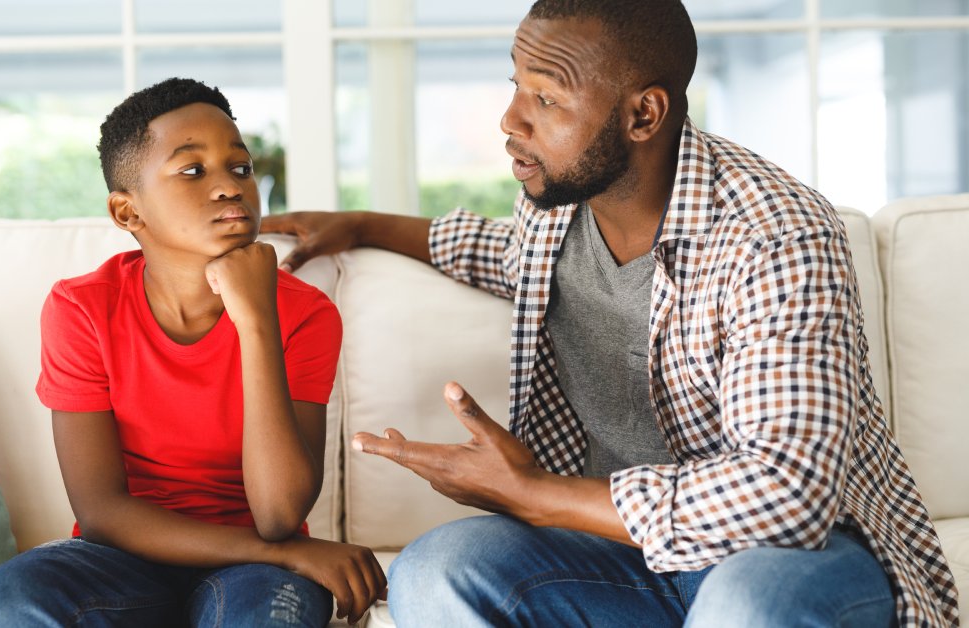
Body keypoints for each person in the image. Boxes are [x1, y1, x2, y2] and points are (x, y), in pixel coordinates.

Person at [261, 1, 960, 626]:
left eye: (547, 98)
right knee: (437, 568)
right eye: (516, 85)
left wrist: (537, 495)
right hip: (628, 559)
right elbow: (487, 250)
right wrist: (359, 223)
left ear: (642, 116)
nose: (510, 121)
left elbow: (787, 494)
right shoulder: (554, 215)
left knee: (746, 603)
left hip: (799, 559)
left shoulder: (775, 235)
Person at [0, 77, 386, 627]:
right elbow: (101, 513)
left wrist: (255, 319)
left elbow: (279, 514)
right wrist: (284, 554)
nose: (229, 186)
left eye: (240, 167)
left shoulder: (305, 314)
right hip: (119, 559)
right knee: (8, 597)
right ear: (127, 212)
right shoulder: (82, 309)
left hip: (252, 575)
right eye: (193, 170)